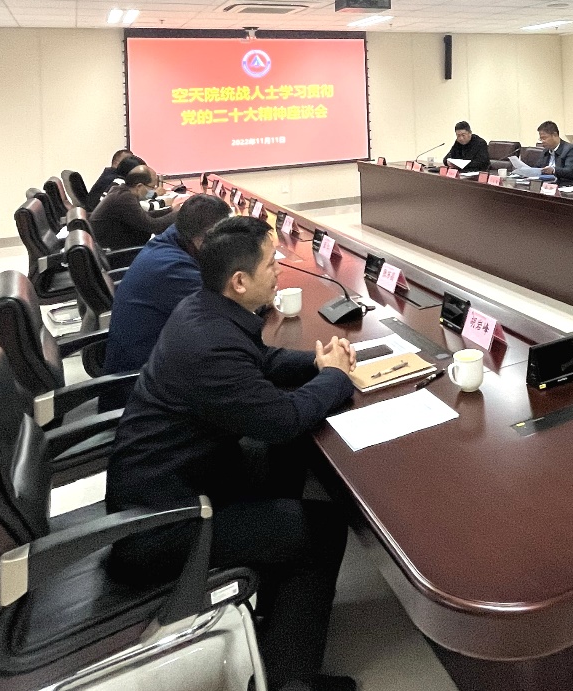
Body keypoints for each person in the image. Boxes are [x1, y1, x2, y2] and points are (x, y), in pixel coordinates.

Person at [106, 215, 358, 691]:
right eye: (270, 263)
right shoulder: (210, 346)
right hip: (164, 522)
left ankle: (276, 601)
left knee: (287, 455)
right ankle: (291, 682)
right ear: (239, 281)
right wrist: (335, 379)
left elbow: (261, 363)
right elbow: (283, 418)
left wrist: (317, 363)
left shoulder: (204, 309)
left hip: (181, 477)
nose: (279, 269)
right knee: (322, 529)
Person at [104, 193, 232, 376]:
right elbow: (227, 312)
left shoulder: (171, 239)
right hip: (138, 381)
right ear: (202, 240)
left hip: (152, 363)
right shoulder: (174, 268)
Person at [89, 165, 185, 249]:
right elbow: (153, 226)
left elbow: (145, 215)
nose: (153, 191)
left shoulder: (121, 191)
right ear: (139, 186)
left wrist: (170, 210)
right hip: (117, 253)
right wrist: (179, 213)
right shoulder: (124, 198)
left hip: (113, 245)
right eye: (152, 187)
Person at [536, 120, 573, 185]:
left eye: (544, 138)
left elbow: (570, 172)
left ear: (555, 135)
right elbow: (538, 167)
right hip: (549, 185)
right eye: (541, 139)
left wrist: (553, 170)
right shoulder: (546, 151)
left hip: (567, 186)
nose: (542, 141)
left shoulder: (570, 150)